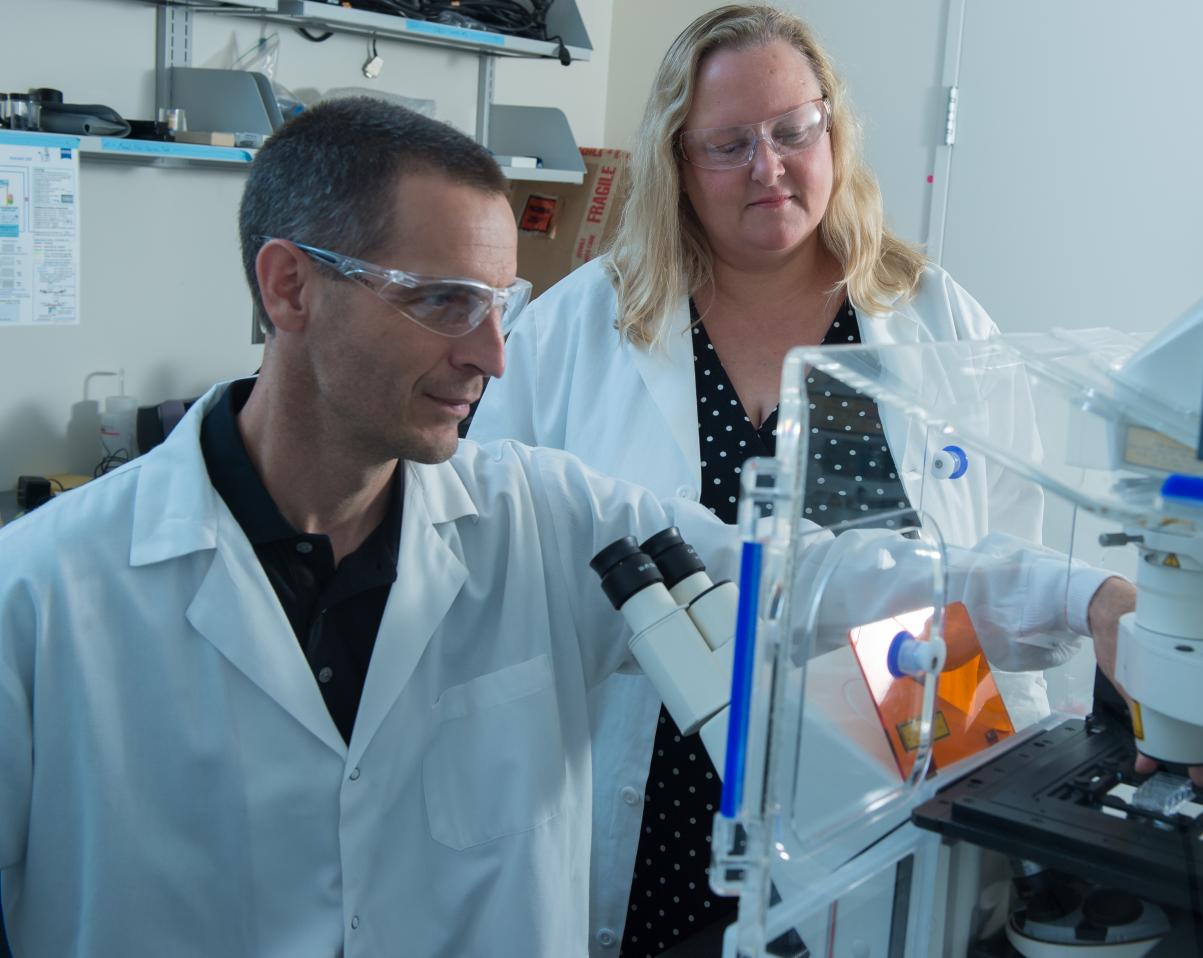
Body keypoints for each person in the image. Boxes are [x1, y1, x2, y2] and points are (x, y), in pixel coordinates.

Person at [0, 97, 755, 958]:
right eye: (443, 301)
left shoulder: (554, 522)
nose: (492, 355)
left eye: (501, 304)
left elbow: (802, 588)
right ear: (289, 287)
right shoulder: (39, 594)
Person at [470, 5, 1137, 954]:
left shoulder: (932, 318)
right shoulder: (583, 326)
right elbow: (496, 541)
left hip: (904, 758)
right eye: (729, 143)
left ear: (834, 130)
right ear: (676, 158)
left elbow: (1008, 542)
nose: (769, 167)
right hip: (660, 774)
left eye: (794, 131)